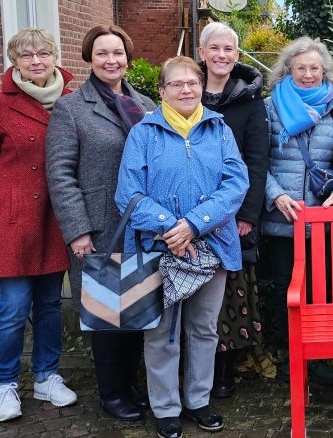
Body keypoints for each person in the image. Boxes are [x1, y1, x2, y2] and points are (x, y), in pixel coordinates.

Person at [116, 56, 249, 438]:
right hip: (158, 248)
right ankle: (165, 408)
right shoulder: (143, 133)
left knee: (204, 328)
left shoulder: (219, 129)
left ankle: (198, 400)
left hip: (213, 245)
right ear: (161, 91)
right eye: (176, 84)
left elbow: (235, 185)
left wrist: (194, 224)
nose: (186, 89)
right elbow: (128, 193)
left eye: (192, 82)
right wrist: (170, 228)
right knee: (160, 332)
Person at [0, 28, 77, 423]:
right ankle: (4, 383)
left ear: (54, 56)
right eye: (27, 55)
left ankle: (46, 376)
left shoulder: (71, 101)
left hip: (55, 216)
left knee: (49, 304)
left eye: (43, 53)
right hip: (11, 218)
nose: (36, 61)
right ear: (14, 61)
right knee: (13, 307)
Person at [46, 24, 156, 421]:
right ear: (89, 59)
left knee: (135, 309)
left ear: (128, 57)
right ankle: (111, 393)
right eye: (102, 54)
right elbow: (60, 173)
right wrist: (77, 231)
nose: (112, 61)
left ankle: (130, 385)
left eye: (118, 53)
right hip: (98, 227)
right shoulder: (71, 107)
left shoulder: (144, 104)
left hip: (141, 226)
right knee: (106, 313)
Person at [261, 36, 333, 384]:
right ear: (289, 70)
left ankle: (317, 355)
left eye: (315, 68)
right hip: (284, 218)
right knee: (286, 288)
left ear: (325, 71)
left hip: (323, 220)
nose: (309, 74)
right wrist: (275, 195)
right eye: (302, 68)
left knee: (321, 287)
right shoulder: (270, 108)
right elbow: (259, 160)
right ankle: (289, 356)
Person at [196, 21, 269, 399]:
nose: (222, 55)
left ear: (237, 56)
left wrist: (247, 215)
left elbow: (258, 162)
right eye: (215, 48)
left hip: (232, 216)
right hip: (189, 212)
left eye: (229, 49)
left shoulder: (249, 101)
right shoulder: (187, 92)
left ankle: (222, 371)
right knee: (190, 290)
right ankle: (191, 372)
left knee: (226, 296)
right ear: (203, 53)